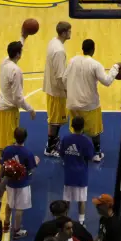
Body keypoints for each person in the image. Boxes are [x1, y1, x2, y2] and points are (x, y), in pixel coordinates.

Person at [66, 39, 119, 162]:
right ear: (93, 50)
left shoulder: (72, 61)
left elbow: (65, 78)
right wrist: (115, 68)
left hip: (72, 103)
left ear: (82, 48)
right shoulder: (95, 64)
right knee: (95, 131)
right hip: (89, 104)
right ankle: (97, 153)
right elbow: (107, 81)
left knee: (76, 129)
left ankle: (75, 151)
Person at [0, 41, 37, 157]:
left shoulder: (4, 62)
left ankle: (3, 168)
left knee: (2, 144)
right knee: (10, 145)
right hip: (8, 112)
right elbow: (18, 98)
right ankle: (10, 170)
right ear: (18, 54)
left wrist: (23, 37)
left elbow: (13, 51)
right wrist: (30, 109)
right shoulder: (16, 71)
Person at [0, 128, 38, 238]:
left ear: (14, 136)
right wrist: (37, 162)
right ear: (25, 138)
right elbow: (31, 170)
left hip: (10, 183)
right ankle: (16, 231)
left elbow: (2, 166)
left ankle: (6, 224)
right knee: (20, 208)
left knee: (9, 203)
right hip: (23, 184)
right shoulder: (28, 153)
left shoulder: (7, 150)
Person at [43, 22, 71, 157]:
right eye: (69, 31)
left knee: (55, 119)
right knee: (55, 120)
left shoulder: (53, 42)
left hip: (51, 87)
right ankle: (50, 148)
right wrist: (66, 91)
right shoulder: (59, 51)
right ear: (64, 33)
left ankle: (52, 142)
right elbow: (60, 76)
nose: (71, 33)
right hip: (57, 91)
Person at [59, 117, 94, 223]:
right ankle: (81, 221)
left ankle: (64, 219)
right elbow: (90, 156)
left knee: (67, 199)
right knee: (82, 199)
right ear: (83, 127)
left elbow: (61, 153)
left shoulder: (66, 139)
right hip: (81, 174)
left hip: (69, 174)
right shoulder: (86, 141)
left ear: (72, 126)